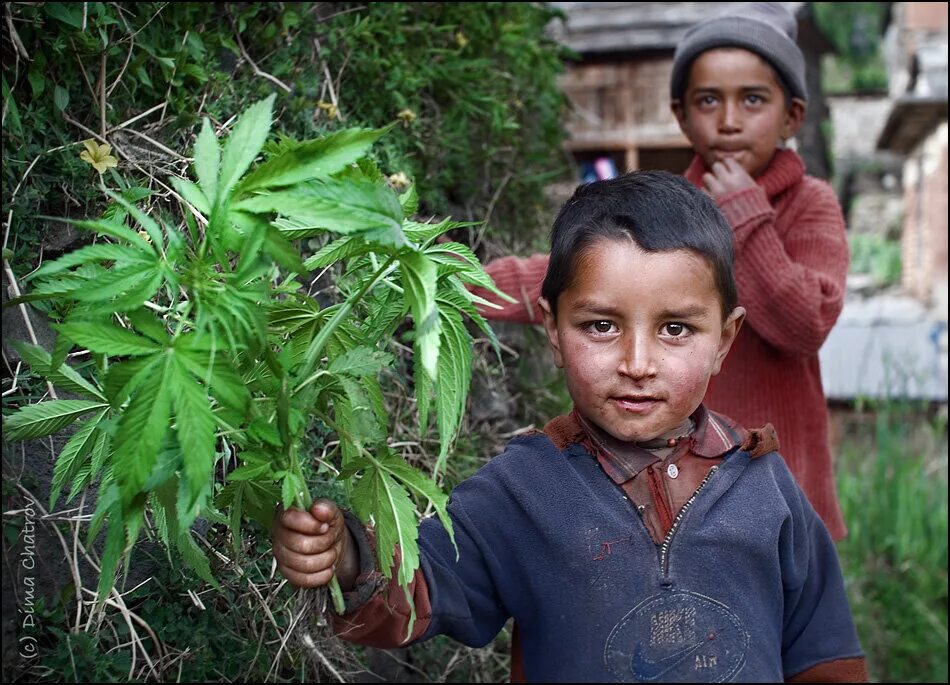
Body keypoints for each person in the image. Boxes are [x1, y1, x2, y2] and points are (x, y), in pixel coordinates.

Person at [273, 171, 867, 682]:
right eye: (601, 326)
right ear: (553, 331)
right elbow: (423, 590)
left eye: (676, 329)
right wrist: (347, 557)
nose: (638, 363)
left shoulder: (764, 483)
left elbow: (824, 650)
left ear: (725, 340)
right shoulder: (521, 491)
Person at [475, 2, 850, 542]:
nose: (728, 119)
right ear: (680, 114)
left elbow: (805, 323)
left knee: (790, 612)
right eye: (707, 100)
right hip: (685, 474)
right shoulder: (679, 208)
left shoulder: (810, 205)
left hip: (784, 478)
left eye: (752, 100)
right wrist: (463, 285)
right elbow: (580, 278)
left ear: (792, 116)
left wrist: (746, 214)